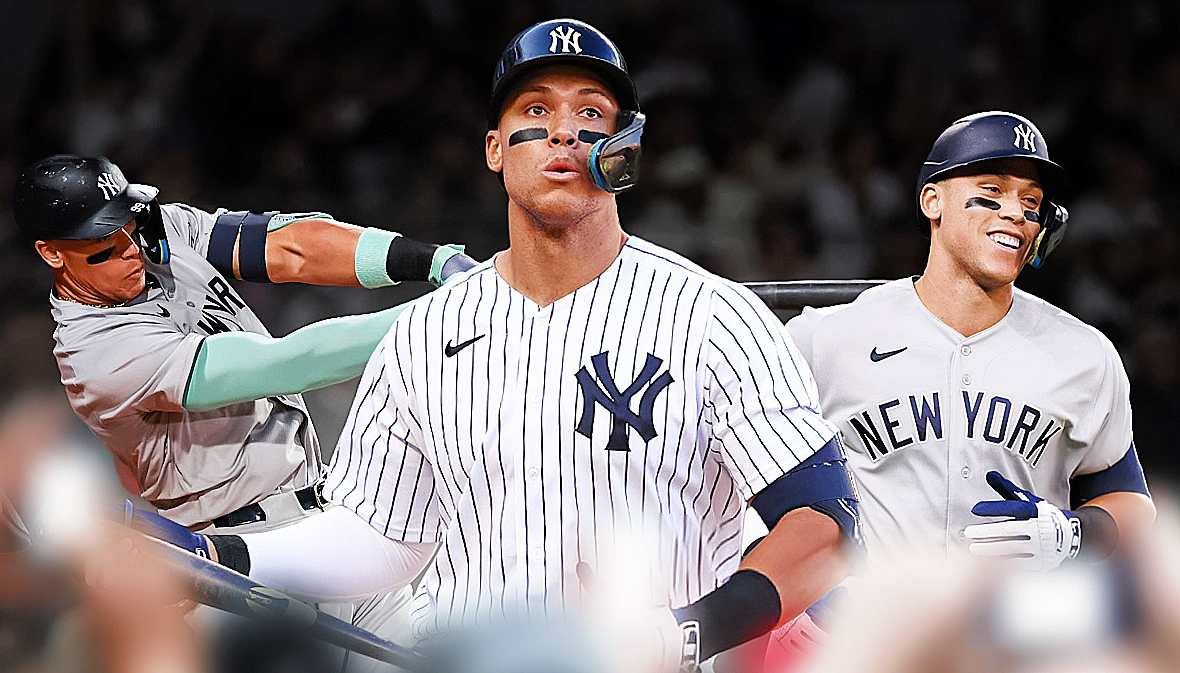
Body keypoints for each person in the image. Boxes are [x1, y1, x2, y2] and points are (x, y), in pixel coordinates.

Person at [157, 18, 862, 672]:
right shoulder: (424, 332)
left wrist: (683, 629)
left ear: (624, 153)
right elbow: (379, 536)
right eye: (535, 111)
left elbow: (824, 526)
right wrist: (216, 551)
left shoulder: (714, 316)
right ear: (494, 149)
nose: (564, 132)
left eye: (591, 113)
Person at [12, 153, 476, 670]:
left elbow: (291, 248)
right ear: (52, 253)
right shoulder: (95, 354)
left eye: (127, 226)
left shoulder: (156, 232)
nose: (130, 251)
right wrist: (448, 315)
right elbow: (288, 363)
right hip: (238, 563)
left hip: (336, 525)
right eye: (103, 245)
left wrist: (430, 262)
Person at [770, 112, 1157, 666]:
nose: (1015, 214)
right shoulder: (826, 339)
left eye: (1031, 202)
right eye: (991, 192)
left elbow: (1132, 504)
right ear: (933, 201)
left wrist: (1074, 534)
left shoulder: (1082, 354)